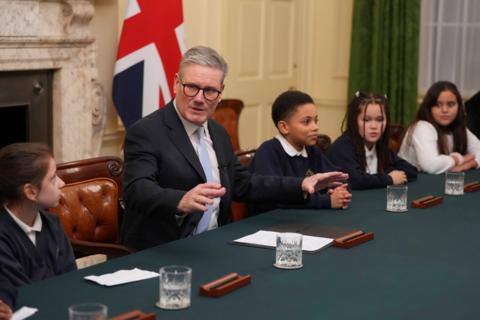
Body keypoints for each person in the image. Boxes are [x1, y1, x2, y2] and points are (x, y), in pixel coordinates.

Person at [121, 46, 348, 250]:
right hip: (166, 248)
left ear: (220, 92)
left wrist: (301, 184)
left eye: (210, 91)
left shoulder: (217, 133)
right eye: (191, 87)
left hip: (217, 244)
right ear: (175, 83)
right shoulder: (147, 132)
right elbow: (136, 190)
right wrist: (179, 200)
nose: (200, 98)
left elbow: (243, 183)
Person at [248, 90, 351, 214]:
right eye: (306, 122)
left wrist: (337, 190)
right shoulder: (268, 152)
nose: (315, 127)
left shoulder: (312, 150)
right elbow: (275, 200)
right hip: (272, 225)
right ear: (284, 127)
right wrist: (326, 201)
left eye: (316, 120)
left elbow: (337, 178)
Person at [0, 143, 76, 310]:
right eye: (53, 178)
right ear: (31, 192)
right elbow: (24, 294)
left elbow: (71, 278)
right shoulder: (3, 236)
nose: (62, 183)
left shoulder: (52, 224)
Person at [328, 92, 417, 190]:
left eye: (379, 120)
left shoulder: (380, 146)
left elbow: (411, 170)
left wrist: (384, 175)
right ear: (354, 121)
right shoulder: (342, 147)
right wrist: (389, 178)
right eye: (366, 120)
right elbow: (355, 180)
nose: (374, 126)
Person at [399, 81, 480, 174]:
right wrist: (460, 158)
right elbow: (431, 165)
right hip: (409, 186)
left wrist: (470, 164)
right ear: (429, 108)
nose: (445, 110)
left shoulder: (459, 128)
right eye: (438, 105)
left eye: (450, 104)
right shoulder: (422, 127)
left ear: (459, 106)